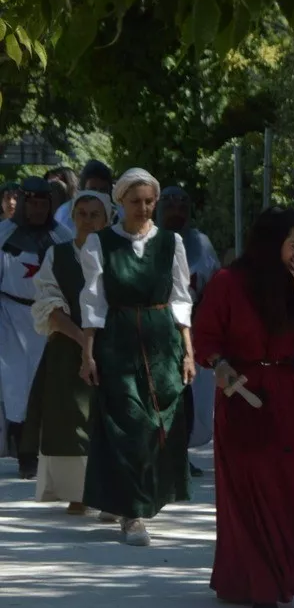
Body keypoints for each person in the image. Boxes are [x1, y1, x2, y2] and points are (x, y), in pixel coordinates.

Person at [190, 207, 294, 608]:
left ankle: (280, 575)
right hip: (242, 393)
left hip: (284, 392)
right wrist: (220, 365)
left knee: (283, 486)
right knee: (247, 489)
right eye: (293, 245)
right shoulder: (228, 282)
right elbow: (206, 337)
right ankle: (259, 587)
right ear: (272, 244)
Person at [79, 168, 195, 546]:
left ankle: (128, 495)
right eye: (135, 201)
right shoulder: (100, 244)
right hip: (119, 340)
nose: (143, 208)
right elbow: (93, 303)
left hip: (163, 342)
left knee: (160, 423)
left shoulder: (171, 242)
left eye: (149, 201)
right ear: (121, 202)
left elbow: (181, 299)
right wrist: (88, 352)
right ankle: (132, 514)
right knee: (128, 423)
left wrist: (189, 352)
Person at [24, 190, 113, 509]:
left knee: (111, 418)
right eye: (81, 214)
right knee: (70, 418)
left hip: (113, 347)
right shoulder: (58, 255)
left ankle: (113, 494)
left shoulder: (118, 254)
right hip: (68, 346)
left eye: (94, 215)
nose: (87, 220)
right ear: (72, 217)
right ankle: (77, 493)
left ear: (107, 219)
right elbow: (49, 303)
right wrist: (82, 340)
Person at [0, 177, 60, 476]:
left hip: (50, 318)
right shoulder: (3, 235)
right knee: (15, 386)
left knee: (46, 386)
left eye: (43, 203)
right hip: (10, 317)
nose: (38, 209)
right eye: (33, 203)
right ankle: (21, 450)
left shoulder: (62, 236)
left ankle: (40, 451)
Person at [159, 186, 223, 456]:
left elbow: (215, 284)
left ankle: (180, 452)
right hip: (157, 328)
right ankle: (160, 452)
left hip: (191, 330)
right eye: (170, 206)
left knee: (189, 394)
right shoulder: (146, 239)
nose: (177, 212)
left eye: (183, 207)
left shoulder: (201, 243)